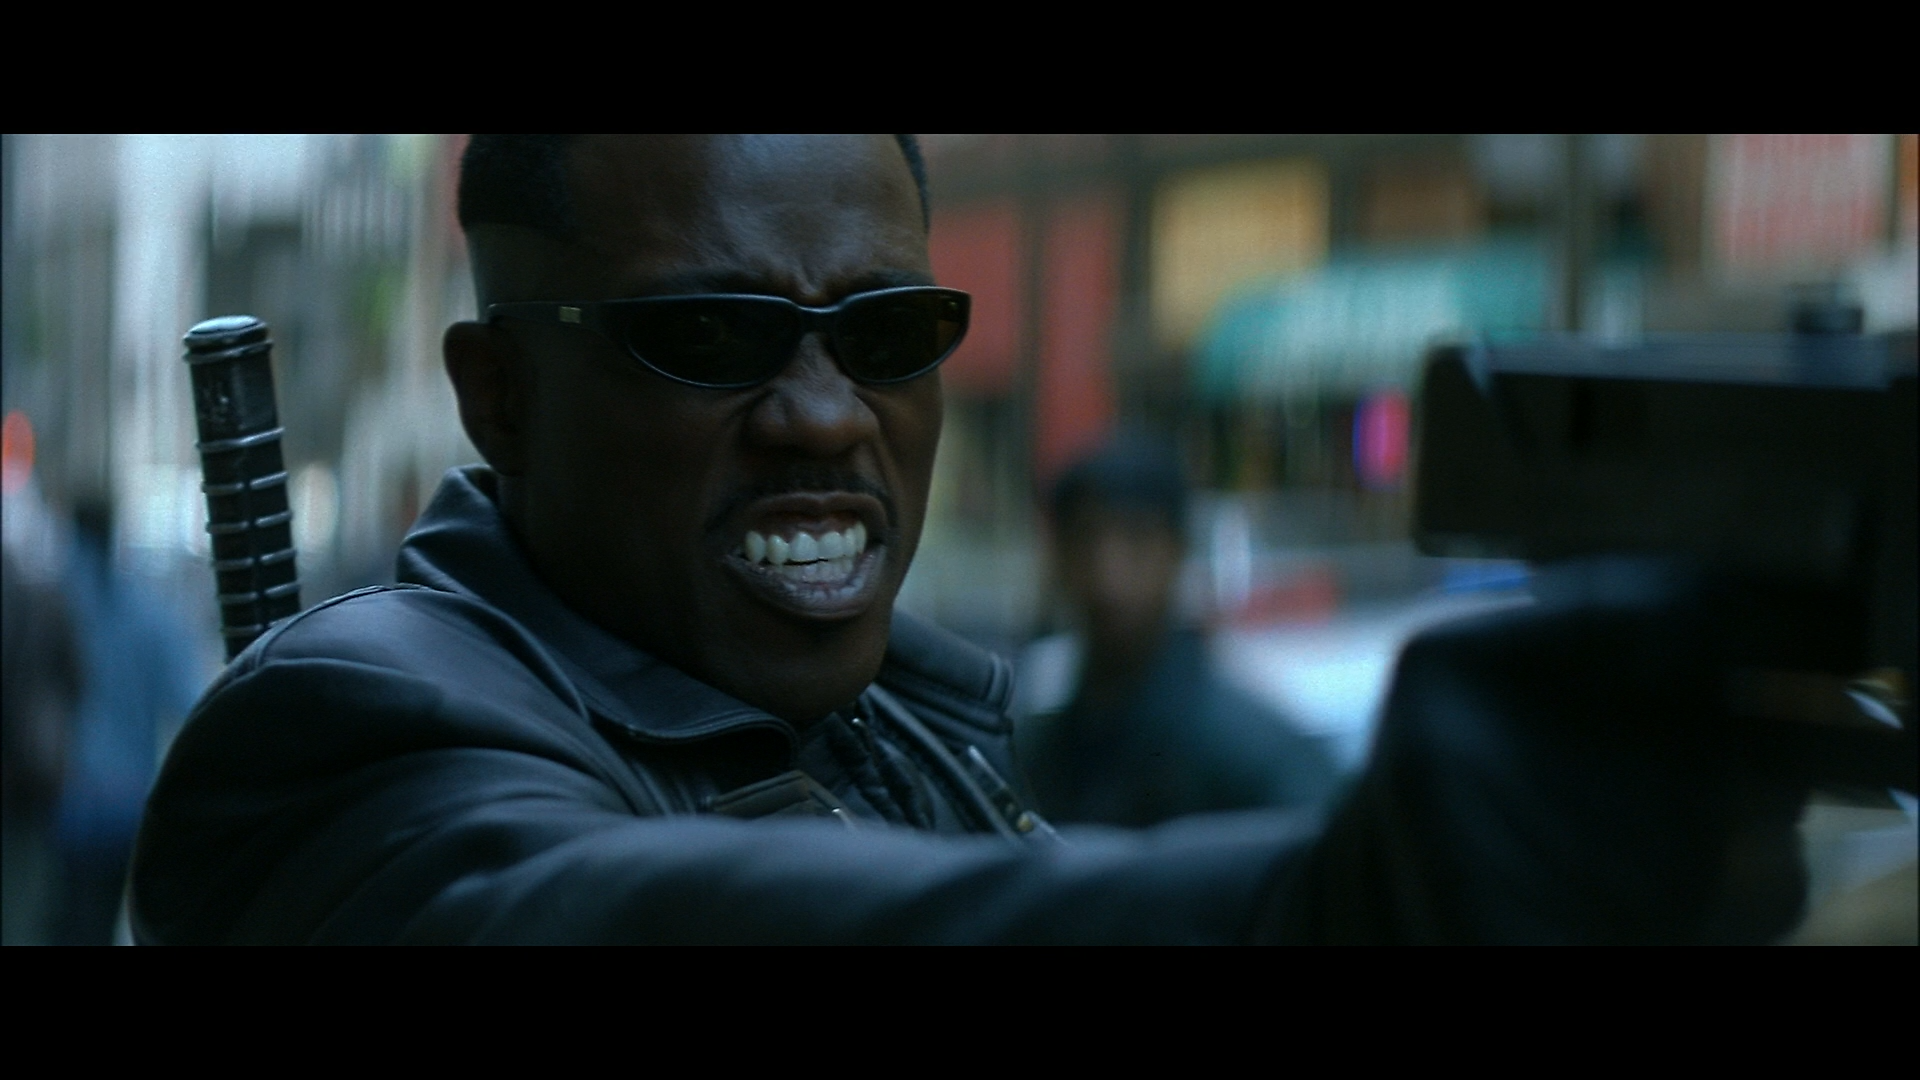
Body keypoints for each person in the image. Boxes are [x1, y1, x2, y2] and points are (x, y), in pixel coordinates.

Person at [129, 135, 1807, 944]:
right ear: (500, 396)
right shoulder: (344, 738)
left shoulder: (903, 731)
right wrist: (1347, 906)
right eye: (710, 338)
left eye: (889, 333)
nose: (824, 414)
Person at [1017, 437, 1343, 827]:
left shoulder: (1252, 754)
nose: (1108, 574)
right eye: (1086, 540)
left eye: (1137, 539)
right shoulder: (1047, 751)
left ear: (1176, 550)